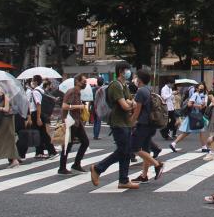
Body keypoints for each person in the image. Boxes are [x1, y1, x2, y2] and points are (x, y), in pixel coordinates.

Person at [90, 62, 139, 190]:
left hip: (126, 122)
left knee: (127, 152)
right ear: (121, 71)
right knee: (123, 151)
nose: (129, 72)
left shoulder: (124, 85)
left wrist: (130, 103)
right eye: (127, 70)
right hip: (118, 123)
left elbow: (130, 102)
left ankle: (123, 180)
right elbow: (125, 105)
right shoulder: (115, 86)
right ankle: (97, 168)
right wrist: (130, 104)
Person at [130, 70, 164, 183]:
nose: (134, 79)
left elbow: (137, 111)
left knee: (134, 148)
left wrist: (130, 123)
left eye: (135, 77)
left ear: (139, 79)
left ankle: (157, 164)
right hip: (151, 124)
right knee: (145, 149)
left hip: (143, 124)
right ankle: (144, 175)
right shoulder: (149, 90)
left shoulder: (140, 92)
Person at [57, 74, 90, 175]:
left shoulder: (78, 92)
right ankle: (62, 168)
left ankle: (76, 164)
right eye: (83, 81)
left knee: (85, 142)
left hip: (77, 121)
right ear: (77, 81)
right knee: (68, 145)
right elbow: (64, 106)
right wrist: (78, 106)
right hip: (70, 121)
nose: (85, 83)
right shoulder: (71, 91)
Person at [171, 83, 209, 152]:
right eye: (200, 88)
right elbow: (189, 104)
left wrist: (202, 105)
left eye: (202, 88)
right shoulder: (195, 95)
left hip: (196, 115)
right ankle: (173, 143)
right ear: (197, 88)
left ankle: (204, 147)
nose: (201, 89)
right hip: (193, 115)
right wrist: (198, 106)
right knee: (189, 132)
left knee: (198, 131)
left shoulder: (200, 96)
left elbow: (200, 106)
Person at [27, 74, 56, 159]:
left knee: (42, 133)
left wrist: (38, 117)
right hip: (39, 114)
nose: (31, 82)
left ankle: (51, 151)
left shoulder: (36, 91)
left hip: (36, 113)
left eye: (32, 80)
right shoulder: (41, 90)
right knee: (39, 133)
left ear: (35, 81)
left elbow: (38, 104)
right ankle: (40, 152)